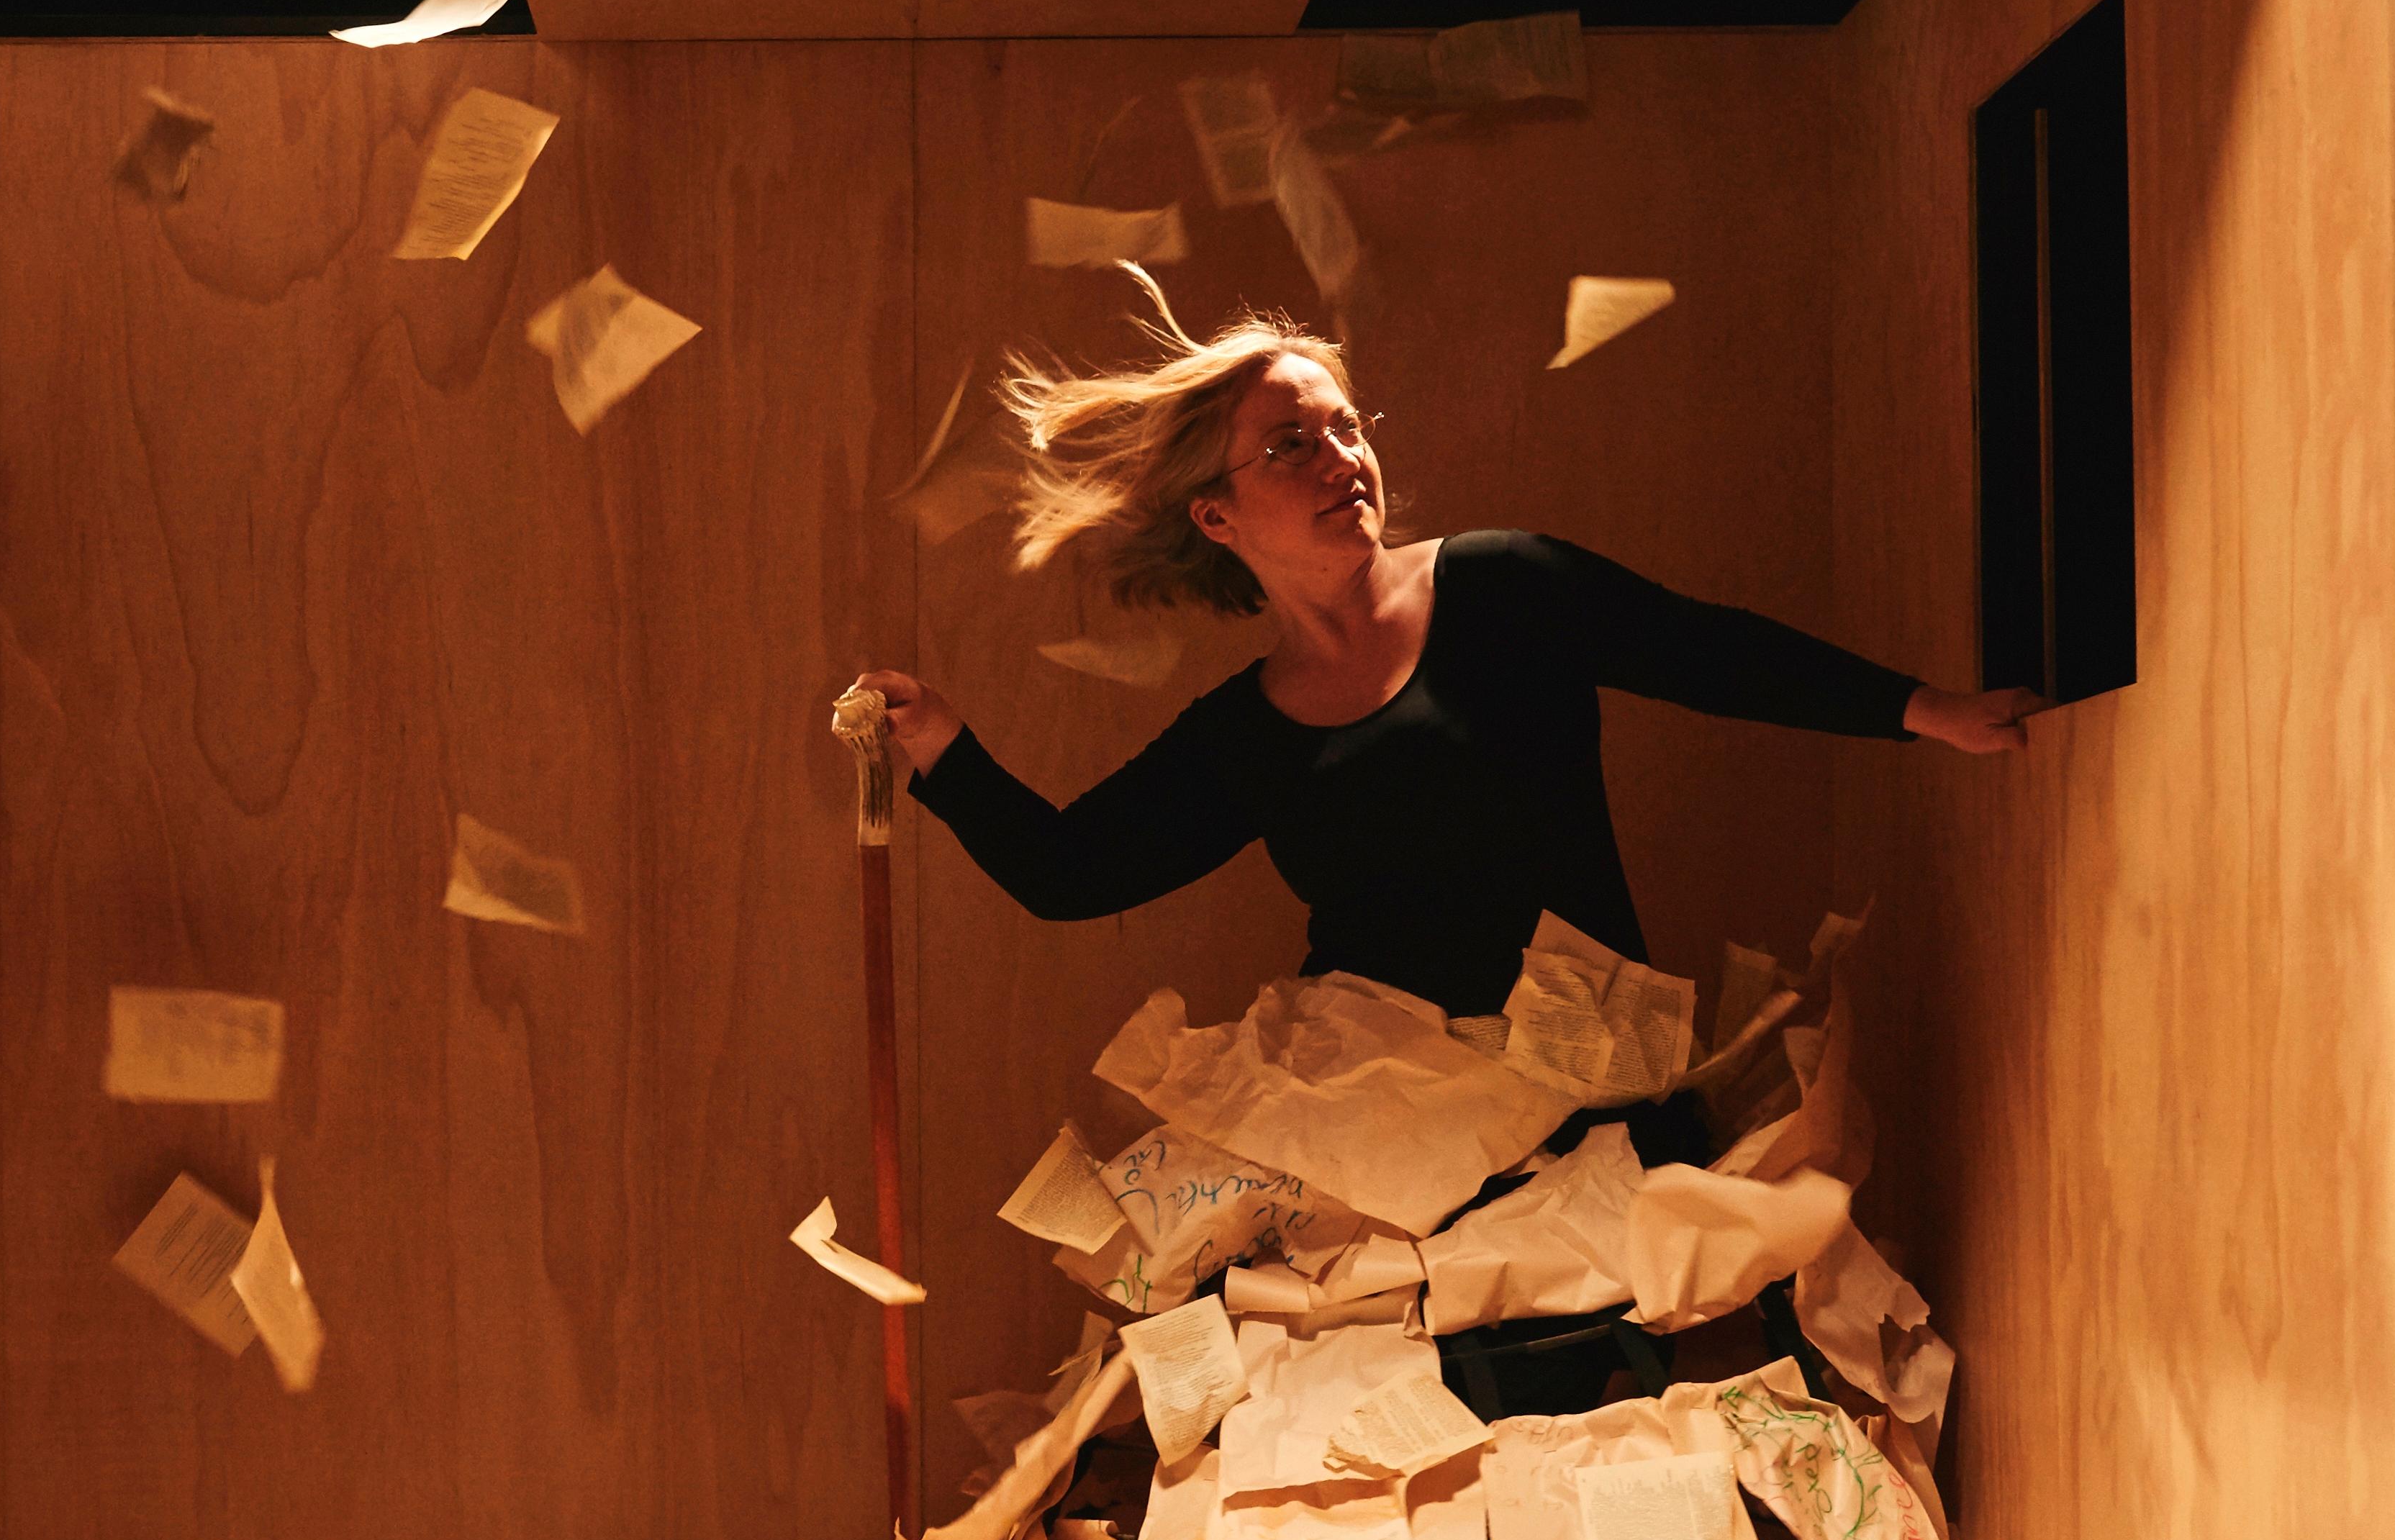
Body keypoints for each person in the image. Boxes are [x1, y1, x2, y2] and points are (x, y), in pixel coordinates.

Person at [857, 280, 2033, 1036]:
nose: (1338, 460)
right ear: (1214, 518)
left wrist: (1923, 710)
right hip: (1381, 1121)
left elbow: (1705, 651)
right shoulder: (1243, 734)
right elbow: (1075, 874)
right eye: (1286, 448)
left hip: (1588, 1081)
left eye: (1343, 429)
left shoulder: (1505, 587)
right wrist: (942, 750)